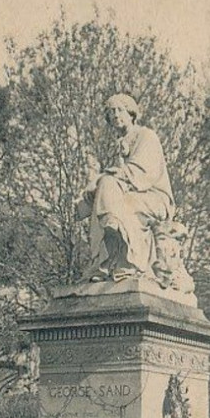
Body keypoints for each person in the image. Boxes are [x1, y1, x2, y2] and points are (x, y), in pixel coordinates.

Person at [79, 93, 175, 281]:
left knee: (118, 197)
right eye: (110, 112)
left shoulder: (147, 136)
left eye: (119, 110)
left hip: (154, 196)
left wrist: (102, 179)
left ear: (131, 113)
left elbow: (141, 173)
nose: (115, 115)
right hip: (129, 192)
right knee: (106, 194)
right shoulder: (116, 144)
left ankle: (128, 262)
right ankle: (104, 259)